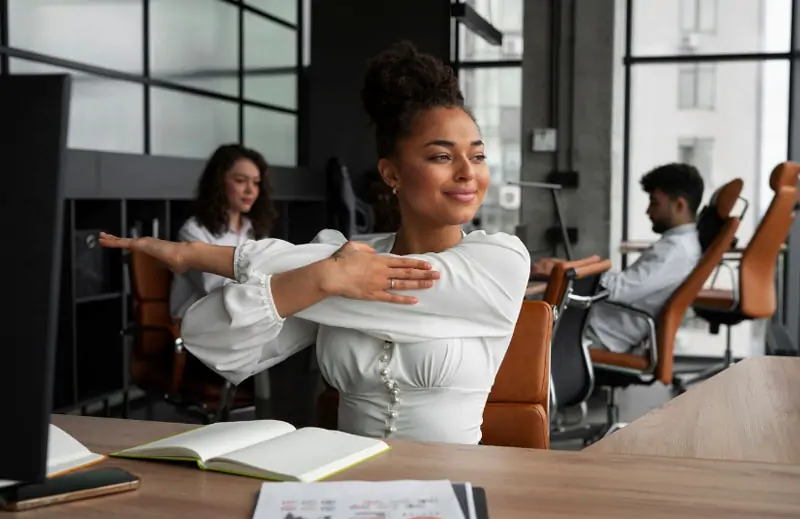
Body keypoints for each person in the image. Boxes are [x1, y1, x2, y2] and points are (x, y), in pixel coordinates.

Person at [99, 41, 531, 445]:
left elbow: (398, 283)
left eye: (476, 155)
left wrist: (205, 256)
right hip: (343, 486)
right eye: (441, 156)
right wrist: (323, 276)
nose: (467, 172)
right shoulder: (337, 258)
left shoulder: (499, 261)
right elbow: (205, 334)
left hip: (449, 493)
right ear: (391, 174)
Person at [532, 163, 704, 353]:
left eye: (655, 203)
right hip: (597, 326)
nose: (648, 211)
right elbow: (628, 285)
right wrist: (567, 268)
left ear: (679, 205)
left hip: (598, 335)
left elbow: (617, 290)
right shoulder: (682, 245)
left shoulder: (675, 250)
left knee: (519, 327)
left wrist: (566, 271)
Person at [170, 144, 277, 319]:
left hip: (242, 318)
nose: (250, 190)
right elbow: (216, 286)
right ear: (219, 182)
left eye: (256, 183)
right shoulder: (194, 231)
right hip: (199, 324)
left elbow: (271, 273)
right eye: (241, 180)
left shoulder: (253, 229)